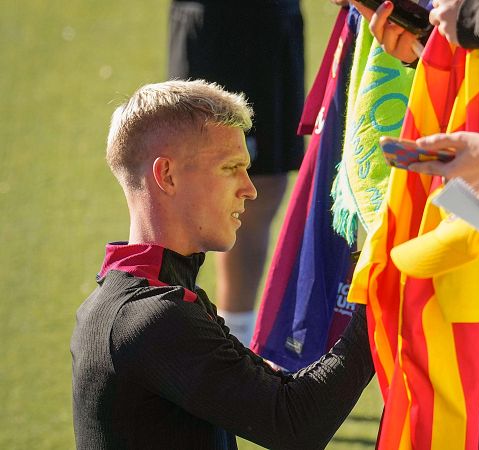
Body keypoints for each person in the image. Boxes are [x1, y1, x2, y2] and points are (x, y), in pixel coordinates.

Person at [70, 80, 374, 449]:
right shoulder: (153, 319)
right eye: (231, 167)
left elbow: (281, 396)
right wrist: (378, 298)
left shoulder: (133, 300)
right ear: (166, 175)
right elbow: (295, 422)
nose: (249, 188)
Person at [168, 0, 306, 343]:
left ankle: (236, 339)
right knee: (197, 179)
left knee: (261, 185)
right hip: (218, 21)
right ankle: (169, 326)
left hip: (276, 18)